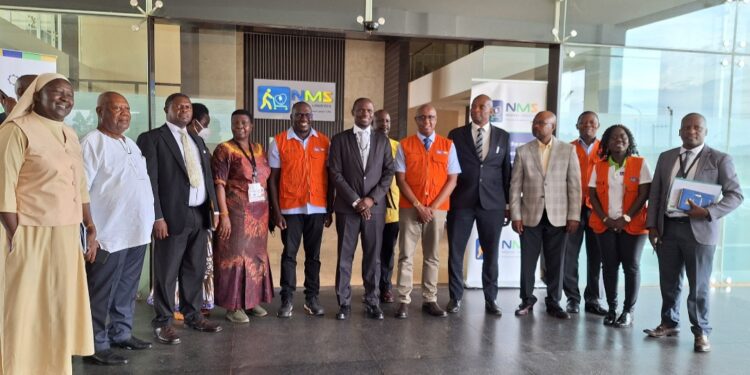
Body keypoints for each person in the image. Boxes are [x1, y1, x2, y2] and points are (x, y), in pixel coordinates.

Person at [0, 73, 94, 374]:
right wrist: (16, 236)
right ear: (35, 96)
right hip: (29, 232)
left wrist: (89, 225)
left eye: (69, 93)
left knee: (57, 304)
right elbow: (4, 189)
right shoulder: (15, 130)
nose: (65, 98)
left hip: (66, 232)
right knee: (24, 306)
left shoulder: (69, 134)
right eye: (57, 92)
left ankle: (53, 366)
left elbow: (79, 186)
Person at [644, 113, 743, 352]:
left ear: (705, 131)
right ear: (679, 132)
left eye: (697, 127)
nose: (691, 131)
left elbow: (736, 195)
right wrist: (652, 225)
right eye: (686, 127)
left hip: (699, 231)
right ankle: (669, 323)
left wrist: (709, 212)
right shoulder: (666, 157)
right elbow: (655, 193)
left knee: (698, 285)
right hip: (668, 229)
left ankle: (701, 332)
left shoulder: (720, 159)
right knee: (668, 282)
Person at [137, 93, 222, 345]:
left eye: (187, 106)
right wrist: (157, 217)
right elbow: (149, 181)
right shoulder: (153, 138)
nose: (184, 110)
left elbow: (207, 177)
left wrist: (214, 210)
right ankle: (163, 322)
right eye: (179, 106)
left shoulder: (196, 139)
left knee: (194, 268)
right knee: (166, 270)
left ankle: (192, 315)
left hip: (199, 213)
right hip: (171, 216)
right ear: (167, 110)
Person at [81, 92, 155, 365]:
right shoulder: (91, 143)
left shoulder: (130, 144)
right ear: (100, 111)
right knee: (101, 292)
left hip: (135, 232)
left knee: (126, 289)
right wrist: (89, 231)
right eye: (117, 108)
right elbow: (80, 191)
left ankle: (121, 334)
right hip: (108, 235)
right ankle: (95, 344)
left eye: (127, 108)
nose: (124, 113)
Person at [328, 97, 395, 320]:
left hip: (374, 210)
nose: (365, 113)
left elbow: (388, 173)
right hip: (348, 209)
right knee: (345, 257)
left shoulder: (383, 141)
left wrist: (370, 199)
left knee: (373, 258)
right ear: (353, 112)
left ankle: (372, 301)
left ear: (373, 114)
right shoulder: (339, 140)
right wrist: (357, 201)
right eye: (361, 110)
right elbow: (335, 173)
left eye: (369, 110)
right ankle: (344, 303)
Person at [510, 110, 581, 320]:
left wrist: (574, 215)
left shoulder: (568, 150)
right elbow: (515, 187)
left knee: (556, 262)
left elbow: (574, 186)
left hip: (559, 216)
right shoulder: (523, 151)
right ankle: (526, 299)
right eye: (535, 122)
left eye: (541, 123)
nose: (536, 126)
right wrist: (516, 214)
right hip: (529, 215)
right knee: (527, 262)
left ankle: (554, 301)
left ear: (553, 126)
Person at [445, 94, 512, 316]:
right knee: (455, 251)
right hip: (461, 202)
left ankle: (491, 299)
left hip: (492, 204)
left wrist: (508, 204)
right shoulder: (456, 135)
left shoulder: (503, 136)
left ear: (491, 110)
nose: (476, 110)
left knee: (491, 254)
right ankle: (455, 298)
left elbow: (506, 172)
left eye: (482, 107)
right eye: (474, 106)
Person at [393, 104, 460, 319]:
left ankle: (430, 299)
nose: (427, 121)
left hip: (437, 210)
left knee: (432, 255)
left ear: (436, 119)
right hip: (409, 208)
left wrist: (431, 208)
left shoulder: (448, 145)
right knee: (406, 255)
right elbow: (400, 180)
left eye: (431, 117)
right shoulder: (405, 145)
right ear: (416, 120)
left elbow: (452, 180)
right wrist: (418, 206)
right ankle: (403, 300)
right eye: (422, 118)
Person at [268, 101, 331, 318]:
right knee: (289, 256)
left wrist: (329, 209)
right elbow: (272, 181)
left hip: (317, 208)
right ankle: (286, 299)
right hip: (290, 209)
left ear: (312, 117)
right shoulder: (278, 142)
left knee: (314, 257)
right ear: (291, 117)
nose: (303, 118)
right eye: (298, 115)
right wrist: (276, 212)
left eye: (307, 114)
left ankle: (311, 299)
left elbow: (329, 178)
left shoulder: (324, 141)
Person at [211, 109, 274, 323]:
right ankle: (233, 306)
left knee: (256, 257)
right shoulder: (224, 149)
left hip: (259, 214)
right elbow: (218, 184)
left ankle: (251, 301)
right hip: (236, 213)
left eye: (244, 123)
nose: (240, 127)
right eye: (236, 123)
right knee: (235, 256)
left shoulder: (259, 149)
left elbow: (265, 178)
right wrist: (224, 215)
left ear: (251, 126)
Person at [587, 125, 651, 328]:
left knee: (631, 266)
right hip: (605, 224)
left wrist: (626, 218)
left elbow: (644, 194)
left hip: (633, 225)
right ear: (606, 142)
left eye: (623, 136)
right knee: (609, 266)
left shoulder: (640, 164)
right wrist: (606, 219)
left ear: (629, 140)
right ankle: (612, 309)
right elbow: (593, 195)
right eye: (613, 137)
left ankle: (628, 311)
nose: (618, 140)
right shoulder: (599, 166)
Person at [563, 111, 607, 315]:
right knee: (569, 255)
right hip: (573, 208)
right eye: (584, 122)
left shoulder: (605, 150)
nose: (588, 125)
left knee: (596, 256)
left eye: (592, 122)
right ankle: (572, 298)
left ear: (597, 126)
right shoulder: (567, 148)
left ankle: (593, 299)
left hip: (598, 209)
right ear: (577, 125)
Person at [190, 102, 215, 315]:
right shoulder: (177, 142)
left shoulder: (201, 144)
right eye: (203, 124)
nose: (204, 129)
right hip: (180, 215)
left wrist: (215, 211)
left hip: (202, 214)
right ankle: (172, 308)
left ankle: (195, 306)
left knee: (198, 263)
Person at [373, 109, 400, 303]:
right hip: (373, 207)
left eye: (388, 120)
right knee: (372, 250)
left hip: (393, 210)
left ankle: (386, 287)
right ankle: (371, 287)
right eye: (380, 120)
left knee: (388, 251)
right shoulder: (368, 145)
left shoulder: (398, 147)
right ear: (373, 123)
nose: (385, 124)